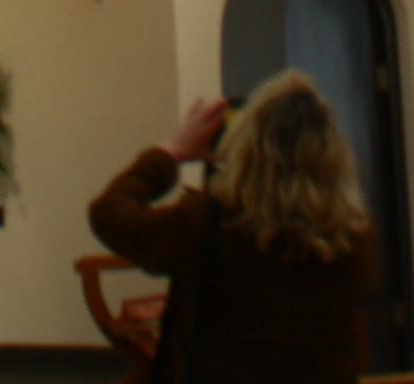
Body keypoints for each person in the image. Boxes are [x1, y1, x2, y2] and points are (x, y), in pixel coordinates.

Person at [88, 72, 382, 384]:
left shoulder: (208, 223)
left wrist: (171, 152)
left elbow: (110, 215)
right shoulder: (353, 237)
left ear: (246, 148)